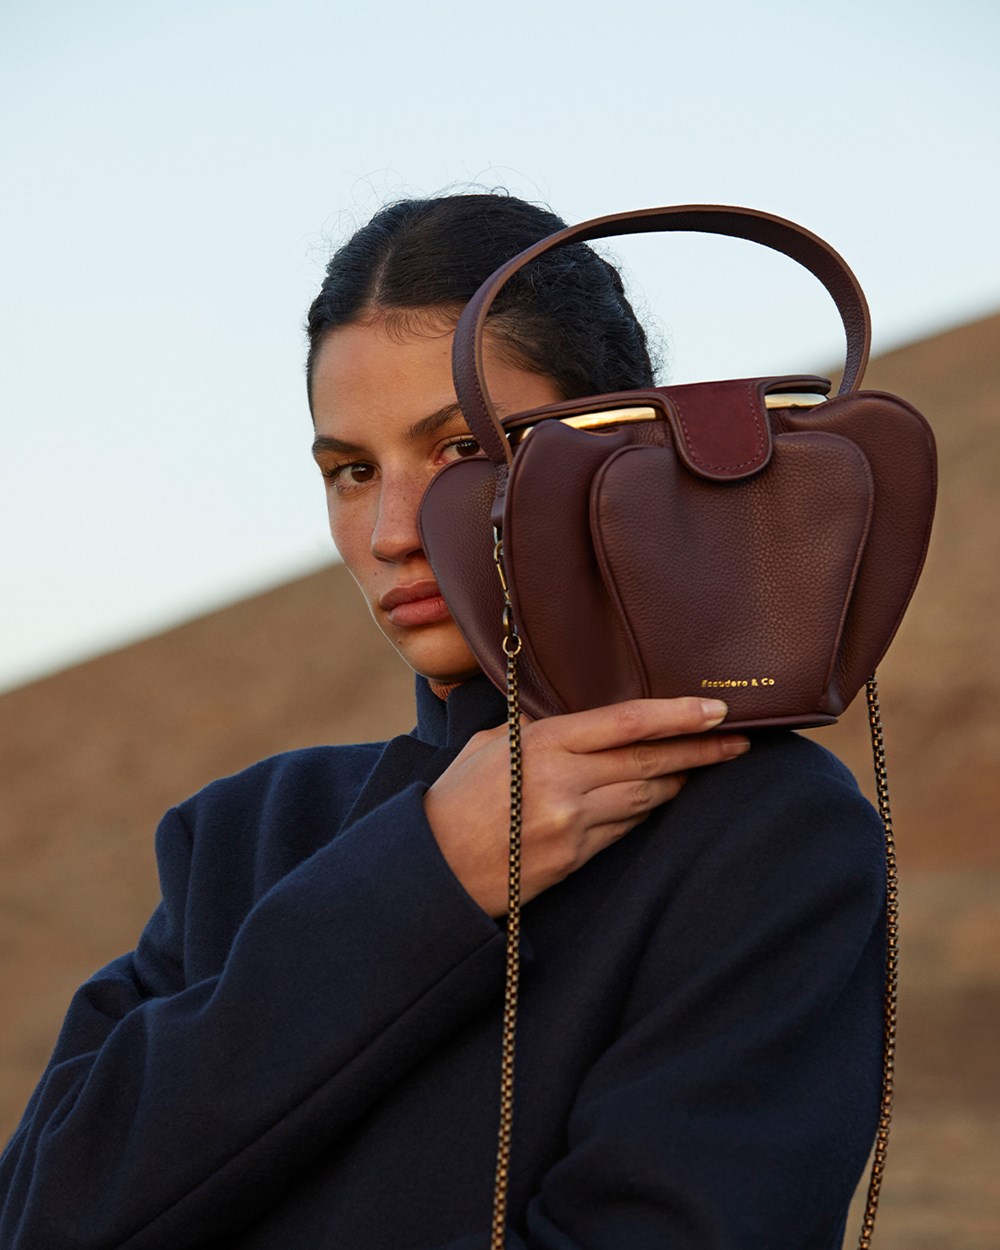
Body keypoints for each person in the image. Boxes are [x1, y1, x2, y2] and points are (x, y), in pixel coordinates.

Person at [0, 194, 885, 1249]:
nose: (389, 531)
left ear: (619, 447)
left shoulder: (766, 831)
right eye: (351, 470)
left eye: (462, 450)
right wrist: (425, 877)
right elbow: (44, 1213)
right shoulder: (242, 833)